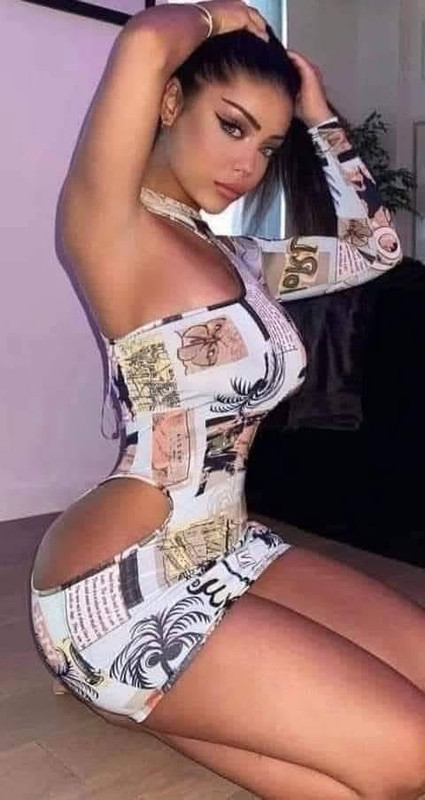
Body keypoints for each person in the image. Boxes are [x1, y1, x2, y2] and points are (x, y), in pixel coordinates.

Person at [29, 2, 425, 798]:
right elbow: (147, 40)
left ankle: (144, 706)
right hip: (122, 586)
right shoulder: (112, 229)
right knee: (412, 757)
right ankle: (117, 681)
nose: (248, 164)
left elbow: (378, 247)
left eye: (267, 146)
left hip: (231, 549)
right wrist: (222, 15)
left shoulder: (243, 258)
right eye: (231, 126)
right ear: (170, 103)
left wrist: (317, 115)